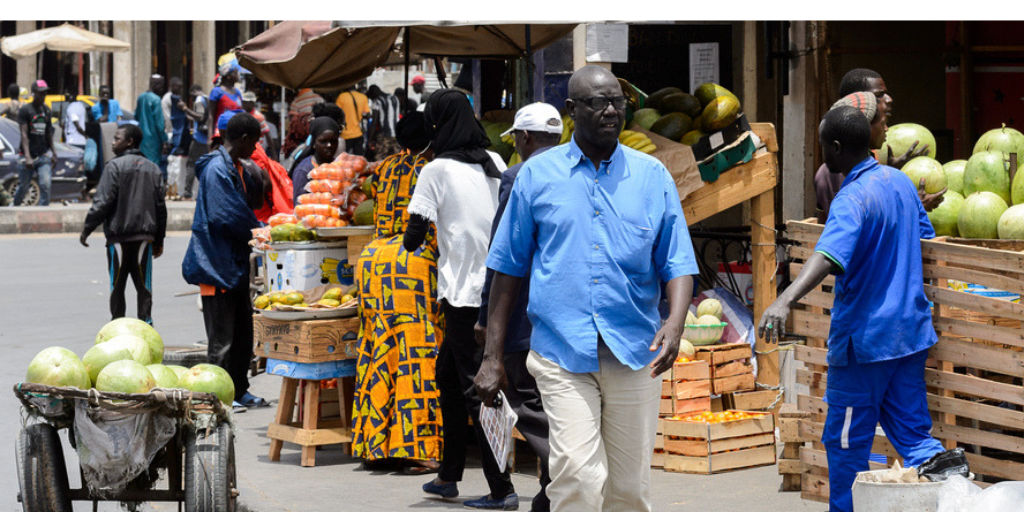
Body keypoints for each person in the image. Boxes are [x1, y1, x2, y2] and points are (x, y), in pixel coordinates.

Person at [476, 66, 698, 512]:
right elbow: (507, 269)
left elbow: (677, 262)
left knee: (628, 490)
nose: (612, 110)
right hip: (561, 353)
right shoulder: (536, 177)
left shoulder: (652, 177)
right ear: (573, 111)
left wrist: (674, 324)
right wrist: (492, 357)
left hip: (634, 352)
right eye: (598, 102)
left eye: (617, 101)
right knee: (577, 475)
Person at [758, 106, 963, 512]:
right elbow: (924, 234)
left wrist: (784, 299)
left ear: (835, 149)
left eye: (823, 148)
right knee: (915, 437)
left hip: (865, 345)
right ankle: (956, 486)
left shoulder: (851, 198)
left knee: (847, 447)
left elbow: (829, 255)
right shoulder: (900, 184)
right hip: (909, 337)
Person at [402, 89, 513, 510]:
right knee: (448, 376)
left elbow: (414, 237)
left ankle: (501, 488)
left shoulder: (437, 170)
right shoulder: (497, 163)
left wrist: (408, 240)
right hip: (498, 291)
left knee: (475, 389)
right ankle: (448, 475)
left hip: (465, 295)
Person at [474, 102, 563, 512]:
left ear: (524, 138)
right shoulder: (578, 169)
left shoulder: (519, 176)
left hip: (524, 315)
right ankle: (548, 496)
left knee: (533, 409)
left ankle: (567, 484)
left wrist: (484, 317)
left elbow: (503, 255)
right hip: (563, 317)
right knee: (554, 408)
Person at [351, 111, 442, 475]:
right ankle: (420, 449)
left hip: (374, 261)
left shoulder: (386, 167)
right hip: (412, 261)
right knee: (416, 355)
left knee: (378, 348)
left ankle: (376, 445)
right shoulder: (433, 168)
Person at [182, 112, 268, 412]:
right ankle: (216, 398)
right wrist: (258, 230)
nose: (256, 149)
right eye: (254, 142)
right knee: (222, 340)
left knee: (243, 333)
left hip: (234, 265)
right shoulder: (217, 169)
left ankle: (239, 389)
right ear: (243, 139)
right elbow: (226, 215)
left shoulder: (236, 166)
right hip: (214, 265)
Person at [814, 68, 940, 222]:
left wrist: (889, 171)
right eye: (878, 96)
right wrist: (914, 206)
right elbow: (865, 222)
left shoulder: (867, 163)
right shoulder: (837, 173)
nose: (886, 128)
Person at [80, 124, 167, 325]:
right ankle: (146, 327)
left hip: (118, 238)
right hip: (144, 239)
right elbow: (160, 208)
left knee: (117, 287)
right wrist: (159, 240)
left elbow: (102, 202)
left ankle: (117, 327)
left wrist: (87, 229)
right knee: (144, 288)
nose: (112, 142)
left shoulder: (114, 167)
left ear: (129, 142)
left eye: (116, 138)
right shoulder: (152, 168)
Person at [15, 80, 58, 206]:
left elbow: (48, 133)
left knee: (45, 184)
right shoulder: (25, 110)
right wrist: (28, 157)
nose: (43, 96)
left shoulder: (47, 111)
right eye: (40, 94)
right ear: (33, 93)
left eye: (44, 94)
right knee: (24, 187)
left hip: (42, 155)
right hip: (26, 155)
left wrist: (54, 153)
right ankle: (14, 209)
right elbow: (24, 134)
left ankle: (42, 212)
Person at [290, 116, 340, 204]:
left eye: (333, 141)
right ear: (314, 143)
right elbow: (299, 205)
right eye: (323, 141)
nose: (329, 145)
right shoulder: (304, 170)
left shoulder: (340, 166)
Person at [179, 84, 209, 200]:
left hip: (199, 139)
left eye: (192, 95)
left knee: (191, 164)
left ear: (195, 91)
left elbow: (200, 117)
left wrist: (185, 109)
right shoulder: (207, 99)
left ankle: (187, 193)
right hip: (207, 138)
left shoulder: (199, 100)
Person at [163, 77, 189, 199]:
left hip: (177, 133)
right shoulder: (170, 99)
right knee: (173, 164)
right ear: (172, 86)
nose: (180, 89)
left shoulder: (177, 99)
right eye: (178, 86)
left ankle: (175, 191)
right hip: (172, 132)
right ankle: (172, 190)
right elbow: (168, 118)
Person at [136, 75, 167, 172]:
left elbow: (136, 115)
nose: (162, 88)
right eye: (161, 85)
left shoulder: (141, 97)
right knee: (153, 167)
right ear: (155, 85)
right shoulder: (156, 99)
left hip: (142, 139)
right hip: (154, 140)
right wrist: (165, 140)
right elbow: (159, 124)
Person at [208, 62, 243, 140]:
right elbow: (211, 115)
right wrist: (210, 136)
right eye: (235, 72)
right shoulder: (216, 92)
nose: (238, 74)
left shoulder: (238, 93)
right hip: (221, 133)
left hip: (236, 133)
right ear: (228, 76)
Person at [366, 85, 402, 160]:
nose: (372, 99)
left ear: (373, 93)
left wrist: (370, 139)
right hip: (397, 134)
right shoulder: (394, 98)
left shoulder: (377, 101)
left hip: (385, 135)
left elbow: (374, 122)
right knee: (396, 159)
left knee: (381, 159)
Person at [335, 85, 371, 156]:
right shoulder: (363, 97)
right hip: (359, 133)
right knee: (359, 159)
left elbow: (336, 114)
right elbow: (367, 114)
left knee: (344, 159)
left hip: (345, 135)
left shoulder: (341, 97)